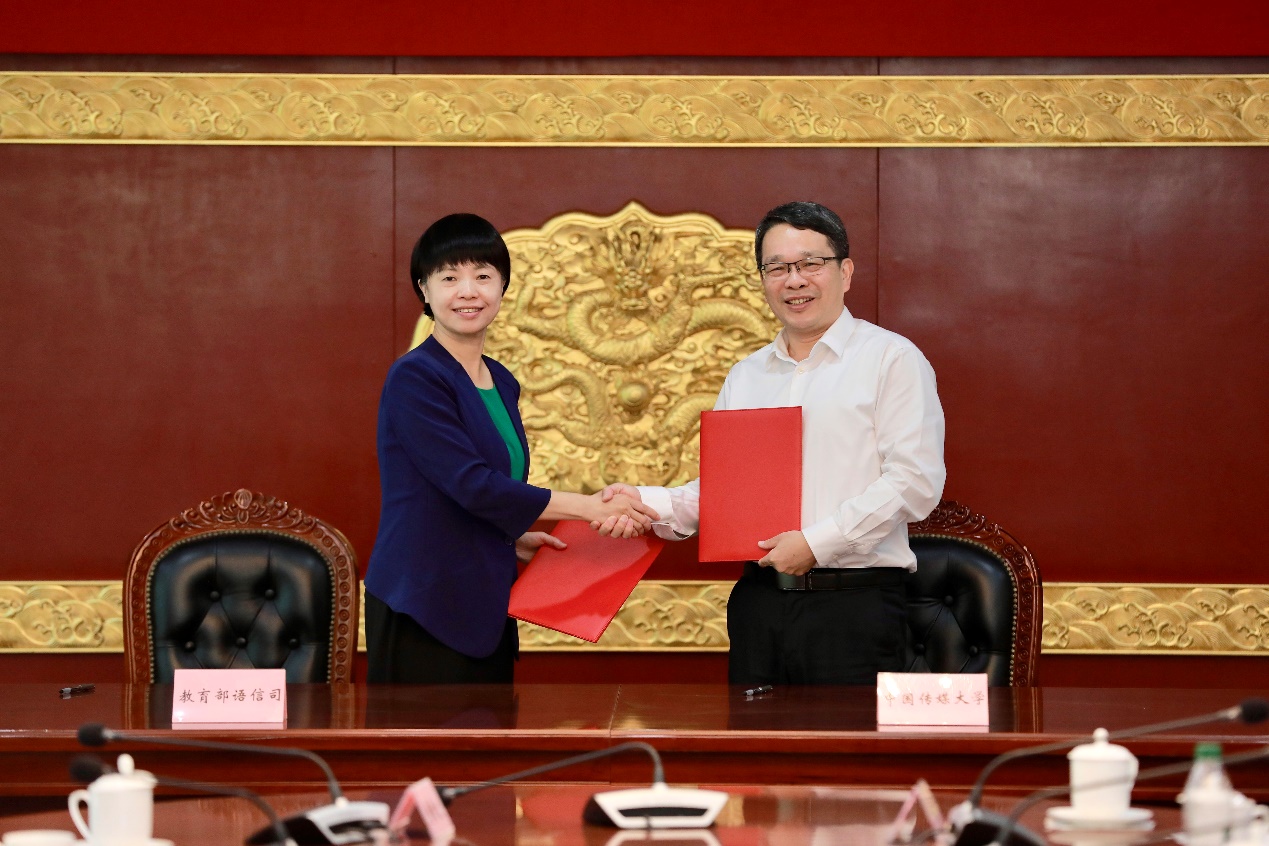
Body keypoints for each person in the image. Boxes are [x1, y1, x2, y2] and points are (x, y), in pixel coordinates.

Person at [599, 201, 945, 685]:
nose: (794, 280)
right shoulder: (747, 375)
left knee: (843, 737)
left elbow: (914, 482)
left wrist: (816, 544)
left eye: (810, 264)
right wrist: (644, 502)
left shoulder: (891, 359)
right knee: (751, 736)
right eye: (777, 268)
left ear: (845, 272)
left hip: (852, 607)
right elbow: (725, 491)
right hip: (758, 604)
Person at [364, 213, 657, 684]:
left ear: (503, 286)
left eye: (483, 276)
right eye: (449, 278)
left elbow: (471, 491)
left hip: (486, 597)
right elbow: (472, 485)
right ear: (424, 289)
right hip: (425, 599)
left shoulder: (500, 379)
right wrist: (589, 507)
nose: (468, 291)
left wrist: (509, 538)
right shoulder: (415, 377)